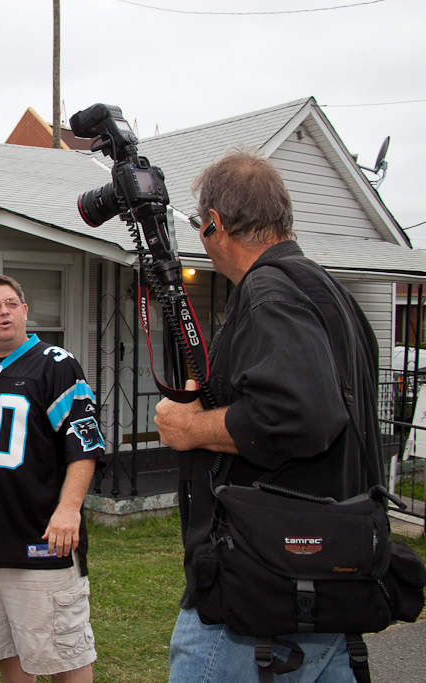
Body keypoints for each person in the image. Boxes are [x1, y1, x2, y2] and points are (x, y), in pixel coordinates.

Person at [154, 149, 383, 682]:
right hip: (332, 578)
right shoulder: (331, 293)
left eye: (202, 226)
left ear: (214, 225)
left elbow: (298, 415)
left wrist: (192, 428)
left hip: (262, 592)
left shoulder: (269, 290)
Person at [0, 274, 104, 683]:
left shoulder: (56, 365)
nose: (3, 312)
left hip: (43, 536)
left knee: (65, 652)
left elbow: (84, 444)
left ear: (25, 311)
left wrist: (69, 509)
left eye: (11, 303)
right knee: (7, 649)